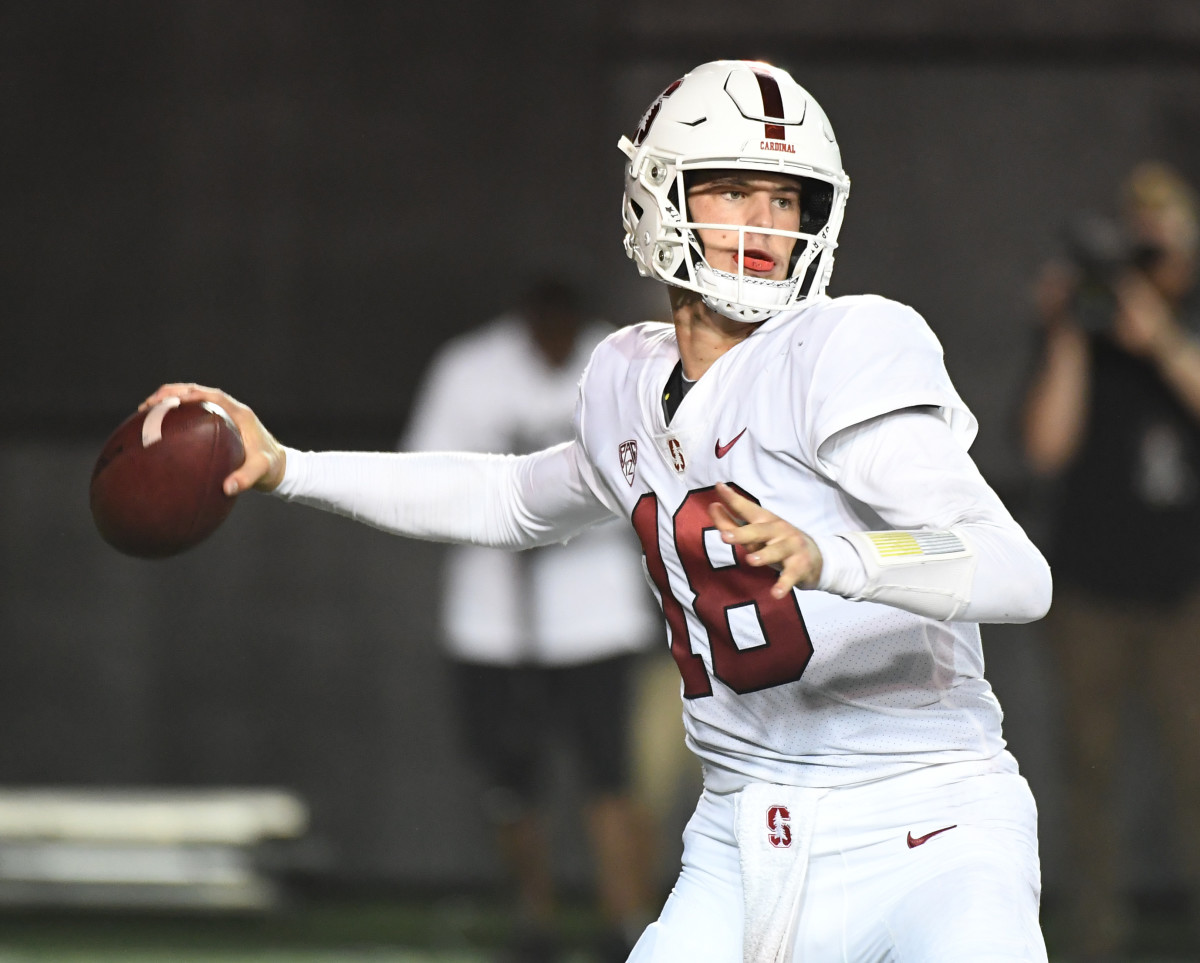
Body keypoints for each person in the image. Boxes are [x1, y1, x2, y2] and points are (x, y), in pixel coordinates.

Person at [143, 60, 1052, 962]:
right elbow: (507, 498)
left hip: (928, 820)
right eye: (736, 190)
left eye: (787, 199)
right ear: (661, 196)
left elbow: (1015, 570)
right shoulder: (626, 378)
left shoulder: (842, 349)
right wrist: (289, 467)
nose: (768, 226)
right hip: (743, 830)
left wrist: (835, 555)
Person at [402, 277, 659, 962]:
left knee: (611, 773)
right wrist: (507, 512)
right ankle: (534, 918)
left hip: (596, 617)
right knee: (511, 782)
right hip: (493, 621)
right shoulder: (470, 368)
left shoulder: (622, 362)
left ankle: (624, 919)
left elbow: (658, 478)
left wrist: (564, 516)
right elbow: (425, 473)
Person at [1021, 161, 1200, 961]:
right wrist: (1069, 337)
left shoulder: (1186, 321)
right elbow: (1044, 448)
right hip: (1091, 587)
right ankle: (1097, 936)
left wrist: (1160, 338)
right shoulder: (1087, 326)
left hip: (1185, 591)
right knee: (1087, 771)